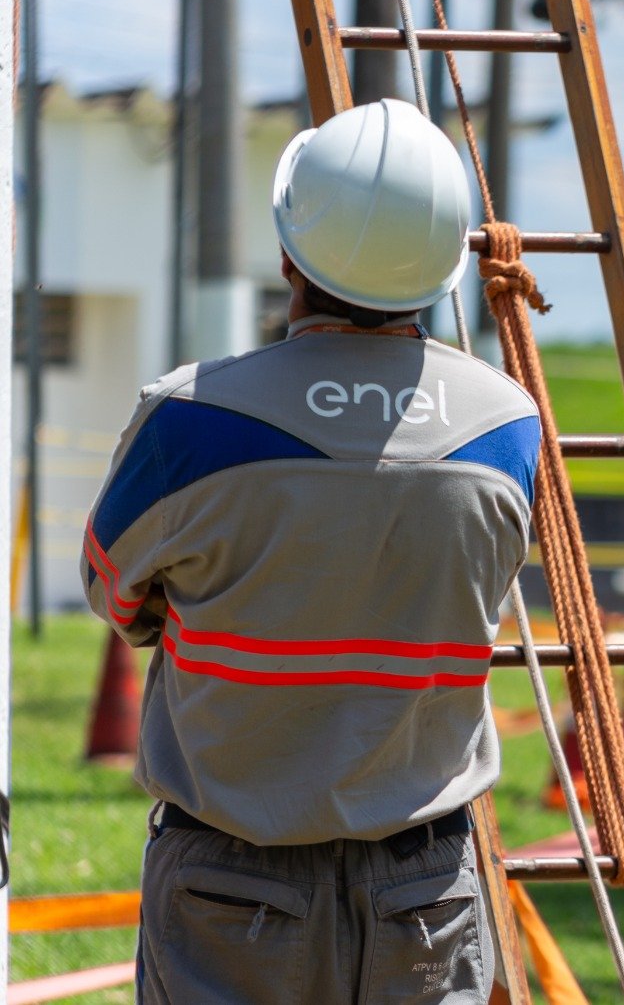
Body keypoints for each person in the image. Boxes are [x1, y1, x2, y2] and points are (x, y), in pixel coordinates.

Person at [82, 98, 541, 1004]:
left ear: (291, 252)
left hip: (229, 883)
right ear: (448, 267)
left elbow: (115, 599)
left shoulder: (192, 420)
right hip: (425, 892)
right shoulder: (508, 427)